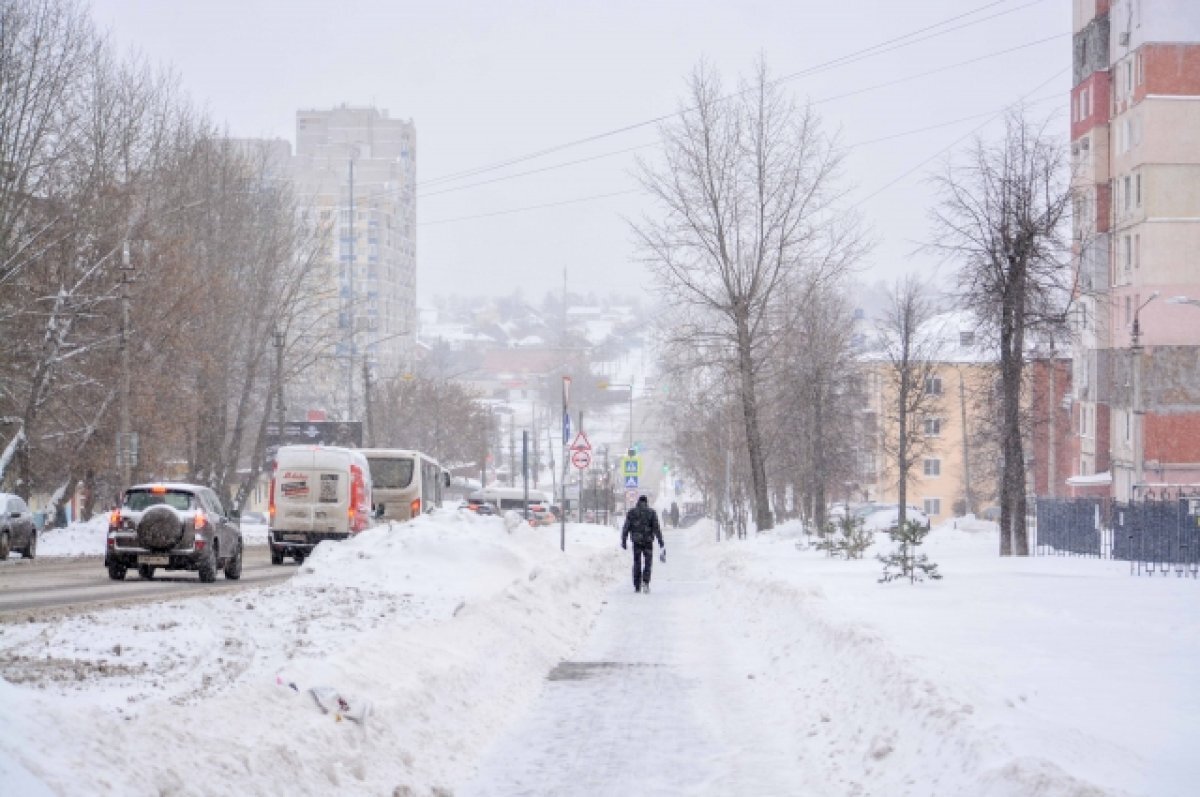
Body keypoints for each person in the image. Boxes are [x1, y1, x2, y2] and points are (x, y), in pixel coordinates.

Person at [621, 495, 665, 593]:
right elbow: (656, 529)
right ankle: (645, 582)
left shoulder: (632, 512)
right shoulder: (651, 513)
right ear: (646, 502)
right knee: (648, 563)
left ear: (638, 502)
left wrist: (623, 540)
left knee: (637, 562)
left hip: (636, 542)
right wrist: (661, 542)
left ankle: (637, 585)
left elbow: (626, 527)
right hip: (648, 542)